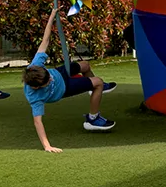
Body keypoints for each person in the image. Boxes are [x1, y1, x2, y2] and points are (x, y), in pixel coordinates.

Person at [24, 9, 116, 152]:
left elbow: (45, 40)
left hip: (60, 73)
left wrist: (52, 16)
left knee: (85, 65)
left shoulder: (35, 66)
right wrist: (47, 146)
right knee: (98, 82)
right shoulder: (34, 97)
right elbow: (38, 122)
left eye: (48, 77)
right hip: (64, 88)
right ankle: (93, 119)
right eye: (47, 83)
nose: (50, 80)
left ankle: (95, 91)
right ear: (36, 87)